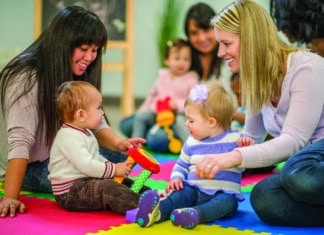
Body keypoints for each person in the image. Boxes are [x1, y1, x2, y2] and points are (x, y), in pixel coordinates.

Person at [0, 6, 145, 218]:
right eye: (84, 48)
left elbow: (96, 122)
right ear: (62, 45)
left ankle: (151, 195)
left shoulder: (75, 71)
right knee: (101, 175)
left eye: (95, 50)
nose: (90, 57)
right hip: (30, 166)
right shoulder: (25, 78)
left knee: (118, 156)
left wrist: (119, 144)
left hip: (61, 151)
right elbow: (20, 141)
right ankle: (137, 202)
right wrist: (11, 196)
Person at [195, 0, 324, 227]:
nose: (220, 52)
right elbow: (250, 141)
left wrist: (231, 157)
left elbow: (293, 141)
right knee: (263, 196)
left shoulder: (307, 67)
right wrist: (203, 159)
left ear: (252, 40)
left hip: (309, 161)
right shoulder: (254, 79)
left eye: (226, 43)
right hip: (306, 167)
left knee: (296, 173)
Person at [135, 82, 254, 229]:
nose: (186, 124)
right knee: (178, 195)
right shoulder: (191, 142)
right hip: (193, 191)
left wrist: (247, 148)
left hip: (223, 194)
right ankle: (157, 212)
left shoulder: (235, 139)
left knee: (230, 203)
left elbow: (247, 161)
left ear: (211, 122)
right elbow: (181, 164)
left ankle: (193, 214)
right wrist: (176, 178)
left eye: (191, 120)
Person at [119, 2, 233, 139]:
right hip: (167, 113)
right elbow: (159, 89)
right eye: (194, 33)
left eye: (206, 30)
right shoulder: (185, 57)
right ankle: (156, 133)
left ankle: (163, 137)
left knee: (155, 138)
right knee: (127, 124)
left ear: (216, 29)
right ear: (188, 35)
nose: (202, 38)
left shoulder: (226, 58)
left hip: (197, 117)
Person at [48, 81, 139, 214]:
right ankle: (138, 206)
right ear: (81, 115)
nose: (102, 113)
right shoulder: (68, 136)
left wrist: (115, 168)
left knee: (123, 182)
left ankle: (150, 196)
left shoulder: (85, 132)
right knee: (108, 188)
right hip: (70, 191)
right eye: (98, 108)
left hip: (86, 181)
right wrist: (114, 169)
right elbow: (87, 165)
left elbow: (95, 157)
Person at [132, 38, 199, 152]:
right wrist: (145, 109)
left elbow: (194, 101)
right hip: (159, 114)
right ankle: (136, 145)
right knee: (140, 116)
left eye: (186, 59)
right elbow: (152, 94)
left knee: (179, 122)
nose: (182, 62)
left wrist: (177, 104)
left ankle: (191, 147)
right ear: (167, 60)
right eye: (177, 58)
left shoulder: (191, 78)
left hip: (178, 116)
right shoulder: (163, 75)